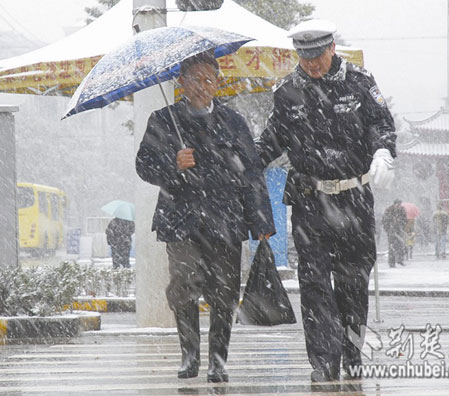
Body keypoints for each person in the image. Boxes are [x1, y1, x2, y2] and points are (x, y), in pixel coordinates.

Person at [255, 19, 397, 382]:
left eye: (317, 55)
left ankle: (351, 354)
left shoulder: (359, 82)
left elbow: (381, 123)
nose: (312, 64)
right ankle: (323, 361)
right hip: (309, 202)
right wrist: (243, 159)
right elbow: (272, 140)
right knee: (315, 284)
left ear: (331, 48)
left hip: (353, 199)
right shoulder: (287, 91)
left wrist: (383, 152)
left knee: (352, 283)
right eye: (304, 57)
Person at [135, 51, 275, 383]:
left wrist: (262, 224)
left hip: (226, 221)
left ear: (218, 83)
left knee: (224, 292)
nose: (202, 86)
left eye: (209, 79)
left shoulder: (234, 123)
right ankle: (189, 354)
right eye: (195, 78)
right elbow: (143, 166)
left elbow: (252, 175)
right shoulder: (162, 120)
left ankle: (218, 360)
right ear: (181, 83)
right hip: (181, 221)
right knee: (183, 287)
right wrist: (173, 163)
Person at [382, 199, 408, 267]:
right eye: (397, 204)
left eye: (400, 204)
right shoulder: (389, 210)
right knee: (391, 247)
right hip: (391, 231)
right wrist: (388, 228)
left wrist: (401, 224)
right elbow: (384, 220)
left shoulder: (402, 210)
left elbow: (405, 219)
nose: (398, 206)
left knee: (400, 245)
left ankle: (400, 260)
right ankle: (391, 262)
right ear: (394, 204)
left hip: (399, 230)